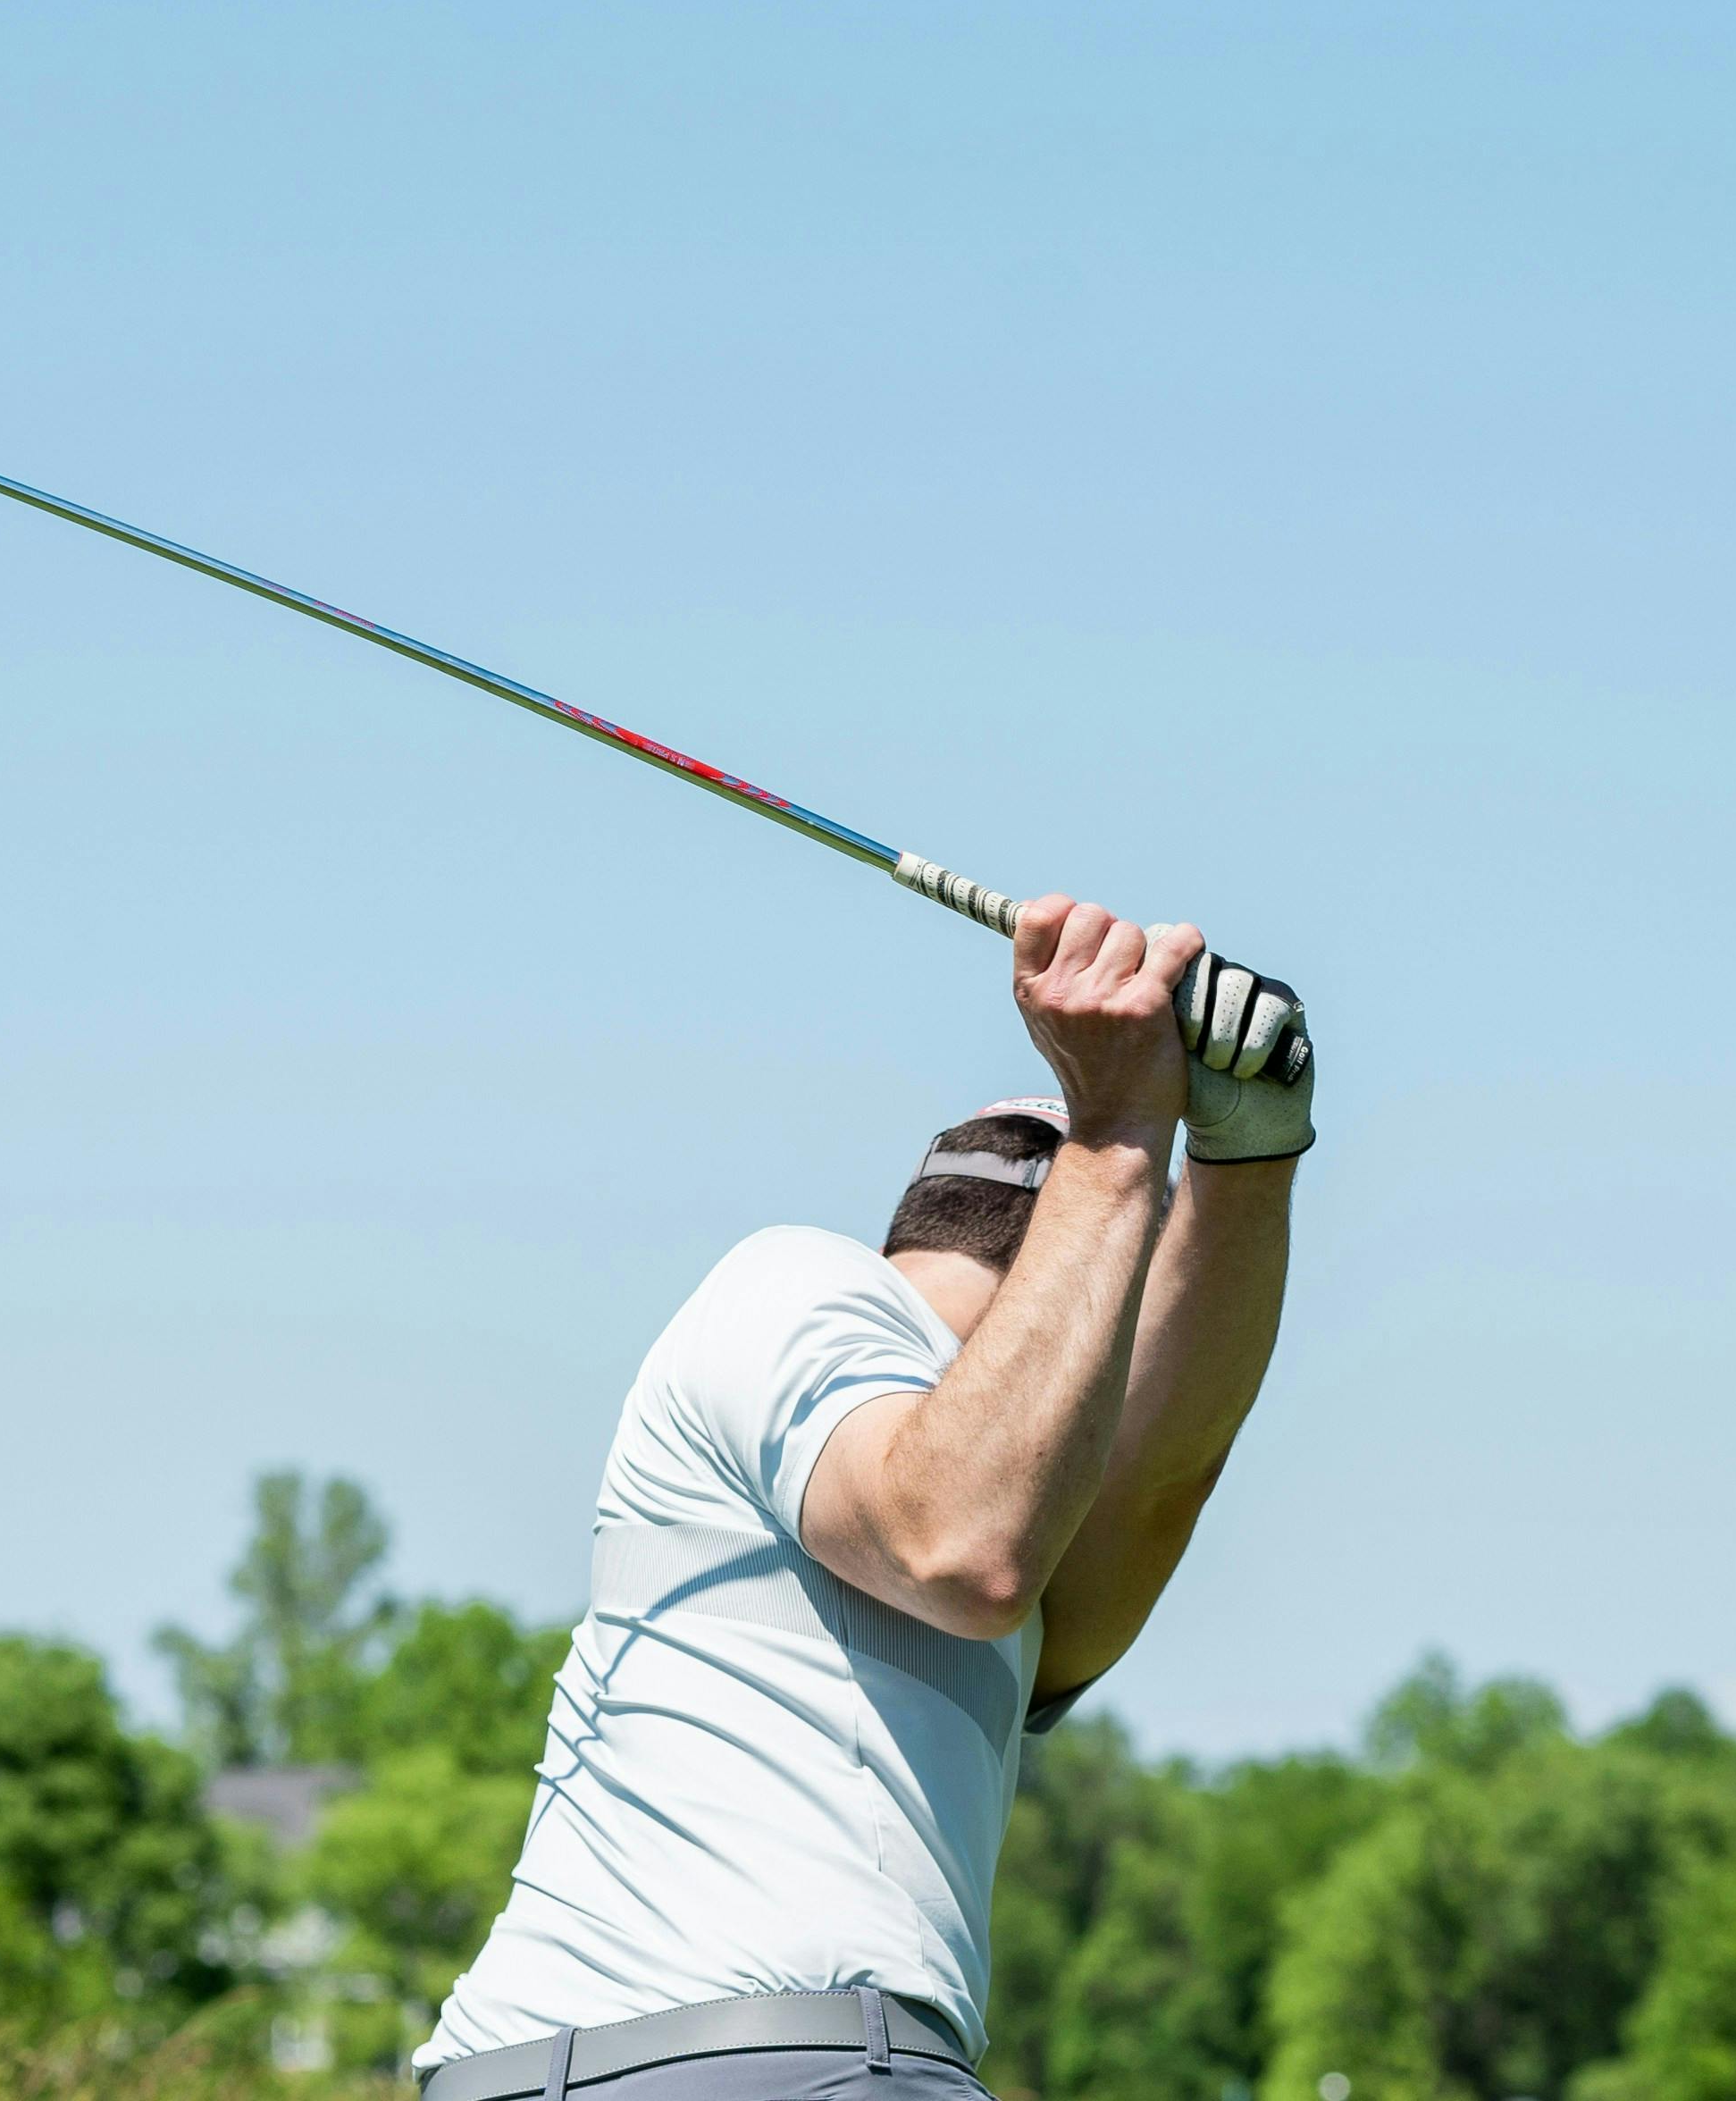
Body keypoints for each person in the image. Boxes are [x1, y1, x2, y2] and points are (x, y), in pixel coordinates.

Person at [413, 894, 1313, 2101]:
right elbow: (962, 1542)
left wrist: (1250, 1164)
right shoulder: (792, 1289)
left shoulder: (1019, 1580)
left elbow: (1156, 1484)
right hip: (685, 2056)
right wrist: (1119, 1139)